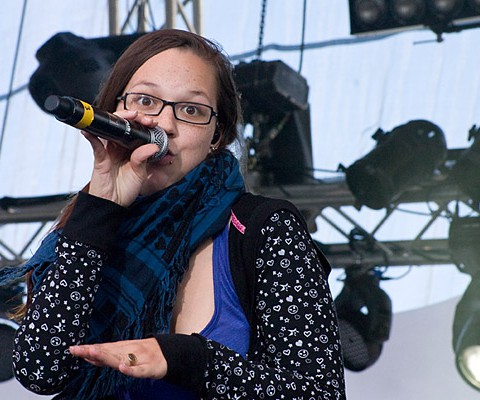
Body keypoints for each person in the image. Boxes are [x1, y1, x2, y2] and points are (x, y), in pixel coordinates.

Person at [10, 28, 346, 399]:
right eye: (145, 100)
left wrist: (186, 358)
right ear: (116, 113)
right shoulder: (84, 229)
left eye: (190, 110)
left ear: (216, 134)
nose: (164, 125)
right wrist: (100, 207)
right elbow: (40, 370)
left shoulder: (261, 228)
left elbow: (318, 393)